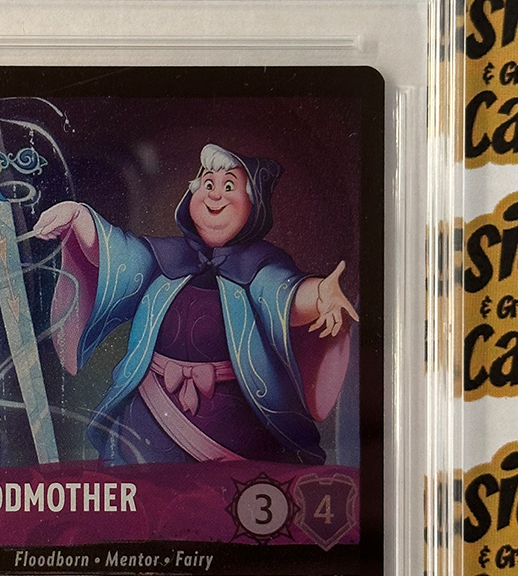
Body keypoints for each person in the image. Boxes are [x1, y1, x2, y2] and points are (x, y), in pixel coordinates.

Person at [33, 143, 358, 465]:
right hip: (149, 416)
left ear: (254, 204)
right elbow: (117, 256)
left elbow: (285, 297)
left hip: (234, 422)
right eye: (208, 184)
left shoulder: (261, 267)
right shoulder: (167, 256)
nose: (215, 195)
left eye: (229, 186)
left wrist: (320, 294)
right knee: (143, 482)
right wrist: (79, 216)